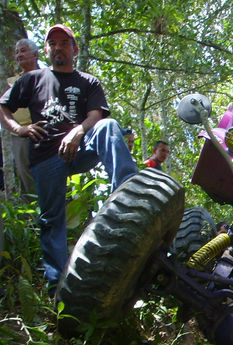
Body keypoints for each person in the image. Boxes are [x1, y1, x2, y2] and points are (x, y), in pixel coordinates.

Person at [0, 24, 138, 295]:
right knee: (51, 220)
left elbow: (97, 114)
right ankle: (58, 289)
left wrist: (77, 131)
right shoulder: (32, 79)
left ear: (74, 49)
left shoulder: (87, 81)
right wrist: (19, 129)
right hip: (45, 156)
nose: (58, 47)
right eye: (53, 43)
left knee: (109, 127)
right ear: (48, 49)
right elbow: (3, 106)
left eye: (64, 43)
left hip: (80, 147)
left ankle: (128, 196)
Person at [6, 38, 40, 195]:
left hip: (45, 132)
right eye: (17, 52)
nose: (19, 55)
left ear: (36, 54)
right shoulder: (13, 82)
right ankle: (34, 214)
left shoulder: (48, 76)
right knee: (26, 178)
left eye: (23, 50)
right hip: (20, 135)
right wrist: (19, 128)